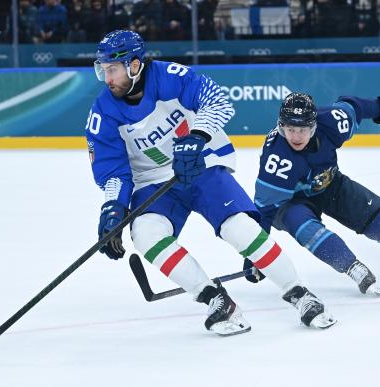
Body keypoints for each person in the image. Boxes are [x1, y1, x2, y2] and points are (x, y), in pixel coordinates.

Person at [85, 30, 336, 336]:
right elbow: (112, 170)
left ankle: (299, 293)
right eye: (103, 70)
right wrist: (113, 206)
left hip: (202, 163)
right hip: (152, 181)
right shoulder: (102, 112)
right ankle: (214, 299)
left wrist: (196, 137)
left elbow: (217, 100)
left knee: (238, 227)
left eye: (112, 69)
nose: (106, 78)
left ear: (134, 65)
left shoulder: (169, 76)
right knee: (146, 234)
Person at [244, 92, 380, 295]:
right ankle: (352, 267)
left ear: (314, 126)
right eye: (290, 129)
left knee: (375, 220)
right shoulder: (277, 159)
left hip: (330, 183)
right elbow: (264, 211)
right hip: (290, 200)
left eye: (302, 129)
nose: (296, 136)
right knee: (304, 226)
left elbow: (354, 106)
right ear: (281, 126)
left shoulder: (331, 121)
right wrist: (256, 256)